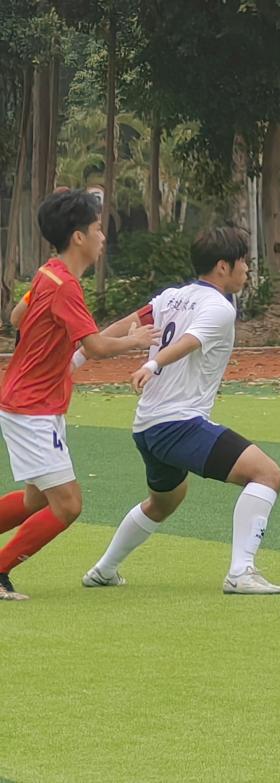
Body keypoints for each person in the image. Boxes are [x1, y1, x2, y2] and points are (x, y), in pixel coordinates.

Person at [81, 226, 280, 595]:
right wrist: (153, 363)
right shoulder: (219, 307)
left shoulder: (171, 297)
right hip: (177, 425)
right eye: (243, 262)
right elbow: (191, 342)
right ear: (222, 266)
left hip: (147, 428)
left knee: (165, 502)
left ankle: (103, 570)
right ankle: (241, 573)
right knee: (267, 474)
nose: (246, 269)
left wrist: (78, 355)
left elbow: (124, 325)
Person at [0, 189, 159, 601]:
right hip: (32, 407)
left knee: (37, 499)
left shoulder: (48, 272)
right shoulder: (65, 286)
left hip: (31, 401)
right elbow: (96, 346)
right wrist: (136, 339)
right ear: (78, 237)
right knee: (68, 505)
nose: (102, 236)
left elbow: (17, 316)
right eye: (97, 228)